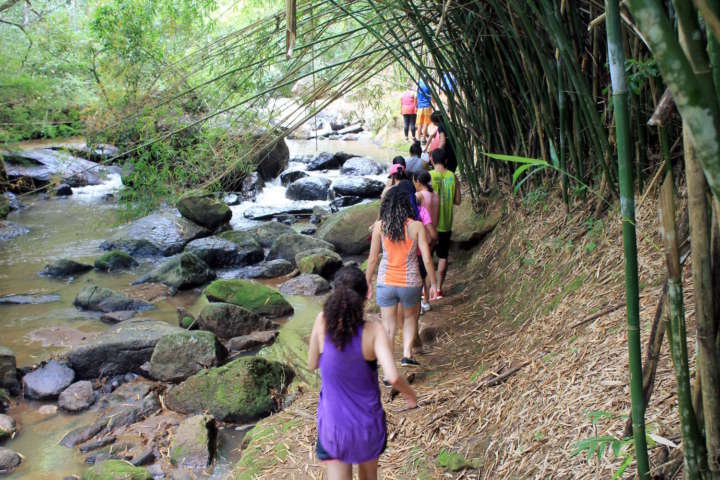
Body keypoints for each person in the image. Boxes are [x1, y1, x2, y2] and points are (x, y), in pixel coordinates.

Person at [309, 266, 417, 480]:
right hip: (367, 425)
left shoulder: (322, 321)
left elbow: (312, 363)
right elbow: (392, 377)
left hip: (333, 426)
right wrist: (410, 395)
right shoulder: (374, 330)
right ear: (366, 295)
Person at [365, 187, 438, 371]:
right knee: (411, 317)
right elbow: (427, 258)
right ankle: (407, 354)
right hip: (410, 282)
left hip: (386, 282)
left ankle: (388, 370)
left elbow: (373, 258)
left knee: (388, 326)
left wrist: (366, 282)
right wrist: (434, 283)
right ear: (407, 204)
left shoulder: (380, 226)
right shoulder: (416, 226)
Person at [429, 148, 461, 298]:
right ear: (447, 161)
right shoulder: (452, 177)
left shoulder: (428, 176)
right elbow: (458, 201)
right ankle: (439, 289)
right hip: (446, 224)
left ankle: (425, 290)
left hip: (429, 225)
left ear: (432, 160)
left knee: (426, 256)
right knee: (443, 256)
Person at [413, 170, 439, 313]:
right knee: (427, 269)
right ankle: (426, 301)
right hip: (434, 235)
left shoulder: (419, 196)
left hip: (423, 237)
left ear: (417, 181)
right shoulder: (435, 195)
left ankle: (421, 303)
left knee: (420, 273)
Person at [416, 79, 433, 144]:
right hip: (427, 106)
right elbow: (432, 97)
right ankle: (423, 139)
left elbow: (416, 96)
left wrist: (416, 105)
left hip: (420, 107)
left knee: (419, 123)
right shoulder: (429, 85)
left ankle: (418, 138)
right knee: (426, 123)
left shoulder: (419, 83)